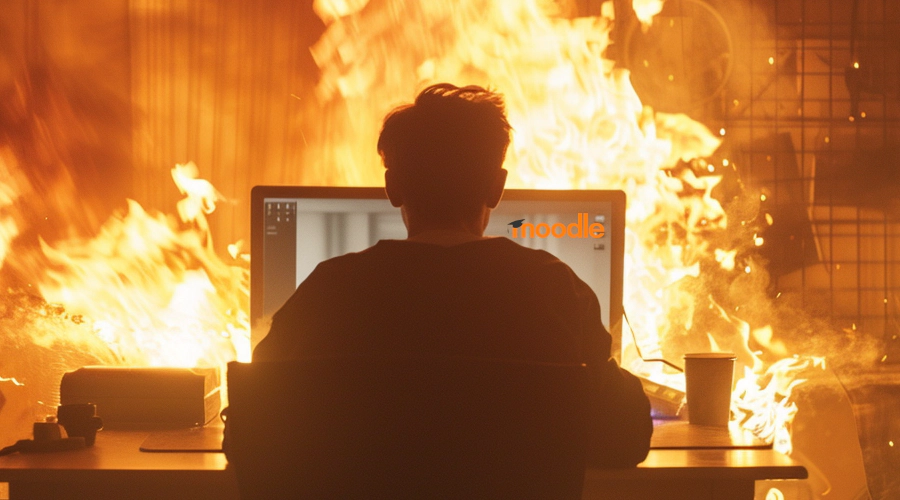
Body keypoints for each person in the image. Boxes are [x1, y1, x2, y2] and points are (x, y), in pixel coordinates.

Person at [253, 83, 652, 467]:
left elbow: (253, 431)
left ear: (392, 188)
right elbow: (626, 434)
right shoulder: (555, 288)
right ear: (496, 188)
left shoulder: (330, 288)